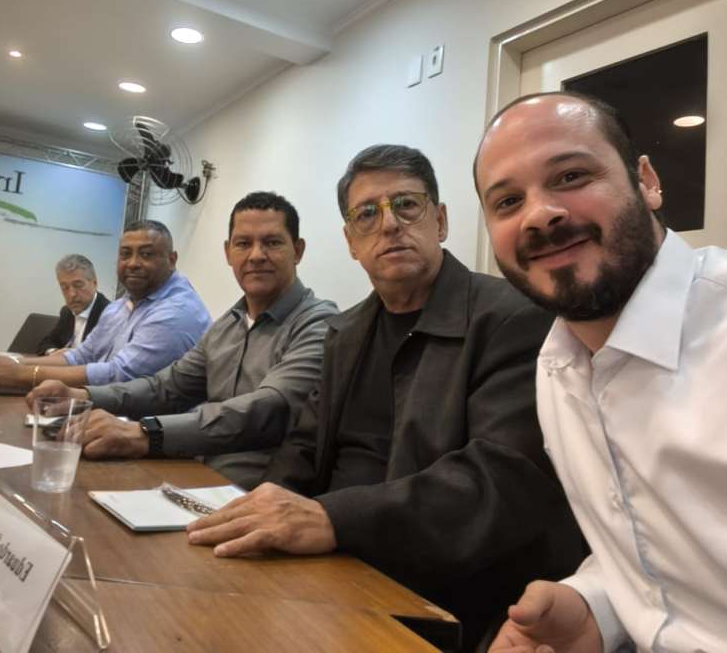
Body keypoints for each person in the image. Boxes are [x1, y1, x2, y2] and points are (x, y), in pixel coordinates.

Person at [186, 146, 583, 649]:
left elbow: (495, 483)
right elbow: (303, 448)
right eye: (367, 214)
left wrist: (331, 519)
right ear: (351, 242)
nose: (390, 224)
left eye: (407, 205)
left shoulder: (514, 317)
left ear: (440, 221)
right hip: (329, 569)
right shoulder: (344, 332)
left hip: (440, 593)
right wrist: (255, 516)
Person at [473, 91, 727, 653]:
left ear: (646, 182)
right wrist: (595, 606)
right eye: (508, 201)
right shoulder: (556, 367)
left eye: (571, 176)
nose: (539, 215)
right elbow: (661, 548)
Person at [27, 191, 338, 489]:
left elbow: (267, 409)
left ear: (298, 250)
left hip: (254, 495)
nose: (256, 255)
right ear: (228, 252)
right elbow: (166, 387)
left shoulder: (318, 324)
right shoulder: (227, 326)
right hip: (189, 475)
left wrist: (145, 433)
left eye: (272, 242)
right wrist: (83, 396)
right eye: (244, 243)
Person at [0, 221, 210, 389]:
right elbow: (79, 357)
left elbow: (119, 375)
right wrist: (13, 362)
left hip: (152, 430)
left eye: (146, 254)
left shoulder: (177, 312)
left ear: (172, 260)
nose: (133, 263)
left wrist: (21, 374)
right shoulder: (119, 307)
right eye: (125, 254)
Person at [35, 254, 110, 355]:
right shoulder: (67, 311)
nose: (71, 294)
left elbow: (102, 357)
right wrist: (54, 352)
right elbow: (46, 343)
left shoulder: (110, 314)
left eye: (78, 285)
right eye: (64, 287)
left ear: (94, 283)